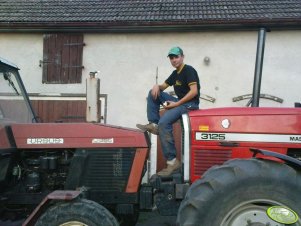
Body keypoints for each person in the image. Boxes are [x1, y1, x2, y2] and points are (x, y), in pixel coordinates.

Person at [137, 46, 200, 176]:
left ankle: (172, 162)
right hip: (181, 102)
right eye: (171, 58)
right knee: (153, 93)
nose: (174, 60)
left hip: (190, 105)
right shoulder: (175, 73)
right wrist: (156, 86)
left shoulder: (188, 70)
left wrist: (176, 103)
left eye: (176, 57)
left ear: (182, 57)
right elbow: (162, 87)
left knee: (164, 123)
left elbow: (194, 91)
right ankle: (153, 123)